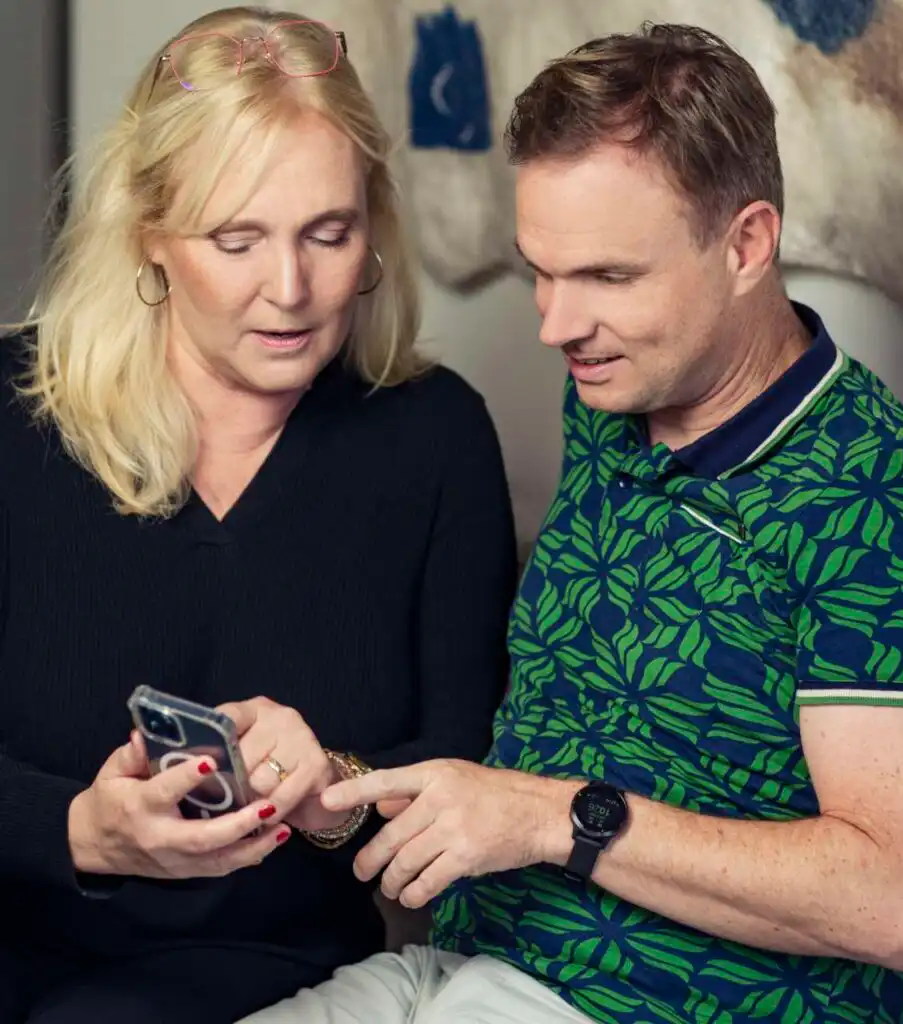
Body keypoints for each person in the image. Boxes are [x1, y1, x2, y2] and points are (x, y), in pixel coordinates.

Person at [241, 21, 903, 1024]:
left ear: (746, 244)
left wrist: (559, 818)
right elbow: (570, 747)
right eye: (540, 270)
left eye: (608, 277)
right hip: (452, 966)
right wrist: (340, 787)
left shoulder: (895, 507)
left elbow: (897, 904)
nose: (554, 325)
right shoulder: (612, 401)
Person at [0, 7, 517, 1024]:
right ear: (149, 235)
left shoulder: (435, 439)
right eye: (236, 239)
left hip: (261, 970)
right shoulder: (14, 416)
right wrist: (79, 831)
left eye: (329, 233)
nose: (290, 289)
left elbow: (468, 768)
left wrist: (334, 787)